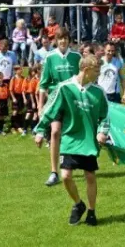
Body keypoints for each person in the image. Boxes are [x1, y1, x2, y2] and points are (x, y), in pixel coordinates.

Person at [34, 55, 109, 226]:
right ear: (86, 70)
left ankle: (91, 211)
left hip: (89, 141)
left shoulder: (98, 92)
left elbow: (106, 116)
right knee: (66, 176)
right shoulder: (64, 88)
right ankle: (78, 204)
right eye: (97, 70)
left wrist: (102, 132)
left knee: (90, 176)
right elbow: (50, 110)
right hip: (70, 140)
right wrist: (39, 130)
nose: (99, 74)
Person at [39, 28, 82, 186]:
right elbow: (43, 85)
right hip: (55, 102)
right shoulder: (50, 58)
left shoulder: (76, 57)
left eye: (65, 38)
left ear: (69, 40)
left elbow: (82, 80)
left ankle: (72, 165)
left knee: (72, 134)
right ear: (55, 40)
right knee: (55, 132)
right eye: (60, 38)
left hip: (73, 103)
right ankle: (53, 172)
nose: (63, 41)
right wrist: (40, 106)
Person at [22, 66, 39, 135]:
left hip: (37, 96)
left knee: (35, 114)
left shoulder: (38, 79)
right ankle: (25, 129)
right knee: (29, 113)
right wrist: (25, 98)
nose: (33, 73)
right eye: (32, 71)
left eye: (34, 72)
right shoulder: (27, 79)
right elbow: (24, 90)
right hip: (30, 96)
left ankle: (33, 129)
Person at [9, 65, 25, 134]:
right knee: (14, 111)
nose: (21, 70)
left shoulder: (23, 78)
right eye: (20, 69)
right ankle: (13, 127)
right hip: (15, 96)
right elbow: (11, 90)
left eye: (21, 69)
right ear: (16, 71)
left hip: (21, 95)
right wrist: (13, 98)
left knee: (20, 111)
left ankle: (19, 126)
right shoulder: (13, 79)